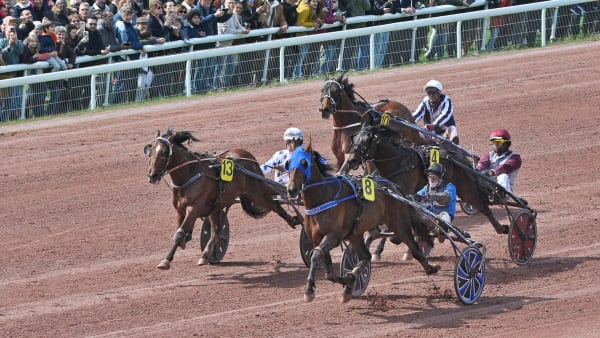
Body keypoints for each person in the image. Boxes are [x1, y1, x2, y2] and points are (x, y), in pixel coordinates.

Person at [402, 163, 457, 260]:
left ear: (441, 178)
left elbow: (447, 196)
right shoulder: (427, 187)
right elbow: (418, 195)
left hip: (442, 216)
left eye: (434, 178)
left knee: (444, 217)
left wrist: (436, 196)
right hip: (428, 217)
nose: (431, 180)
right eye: (429, 177)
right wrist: (410, 198)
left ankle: (441, 232)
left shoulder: (450, 186)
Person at [412, 79, 459, 144]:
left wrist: (434, 125)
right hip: (431, 134)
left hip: (445, 132)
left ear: (439, 92)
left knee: (452, 129)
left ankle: (453, 146)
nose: (431, 95)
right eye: (428, 93)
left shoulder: (446, 101)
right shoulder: (425, 101)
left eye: (433, 92)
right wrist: (408, 120)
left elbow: (445, 114)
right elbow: (417, 114)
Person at [476, 128, 522, 194]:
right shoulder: (488, 155)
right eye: (494, 142)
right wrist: (478, 170)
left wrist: (491, 172)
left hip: (506, 189)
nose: (495, 145)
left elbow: (505, 167)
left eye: (499, 142)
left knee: (503, 176)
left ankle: (500, 193)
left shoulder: (515, 158)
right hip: (488, 188)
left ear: (506, 144)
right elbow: (481, 166)